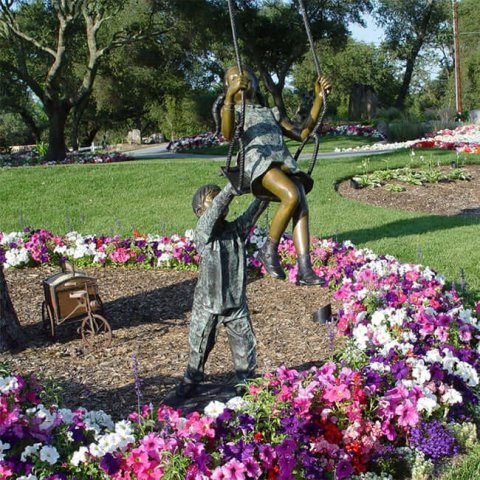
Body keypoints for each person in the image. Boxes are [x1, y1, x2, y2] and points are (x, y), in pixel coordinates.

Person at [218, 66, 331, 285]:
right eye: (233, 79)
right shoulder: (233, 110)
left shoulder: (270, 112)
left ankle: (305, 268)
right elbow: (227, 133)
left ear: (256, 83)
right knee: (291, 195)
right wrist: (230, 97)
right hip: (257, 162)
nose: (240, 80)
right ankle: (269, 249)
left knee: (300, 203)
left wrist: (318, 98)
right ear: (227, 86)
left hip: (280, 163)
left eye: (245, 77)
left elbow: (302, 134)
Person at [177, 183, 268, 397]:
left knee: (245, 346)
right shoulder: (203, 232)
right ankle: (191, 380)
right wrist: (231, 188)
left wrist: (267, 192)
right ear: (200, 212)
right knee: (199, 344)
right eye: (213, 200)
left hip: (235, 304)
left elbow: (254, 211)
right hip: (208, 304)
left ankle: (244, 384)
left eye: (219, 197)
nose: (220, 203)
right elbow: (216, 210)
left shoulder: (235, 231)